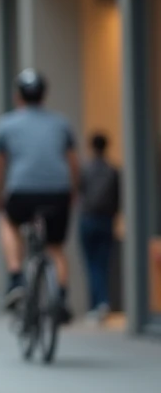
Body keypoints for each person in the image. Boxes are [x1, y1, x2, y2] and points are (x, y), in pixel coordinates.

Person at [0, 69, 78, 318]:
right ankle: (60, 298)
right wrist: (72, 192)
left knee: (8, 222)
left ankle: (16, 278)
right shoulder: (61, 123)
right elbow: (74, 164)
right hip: (58, 193)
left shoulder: (6, 124)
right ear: (44, 95)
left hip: (21, 192)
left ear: (17, 96)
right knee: (55, 247)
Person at [78, 132, 120, 321]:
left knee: (91, 264)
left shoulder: (85, 170)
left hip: (88, 219)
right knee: (103, 263)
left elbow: (79, 193)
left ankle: (98, 303)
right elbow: (117, 199)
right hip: (106, 220)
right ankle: (101, 302)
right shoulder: (113, 170)